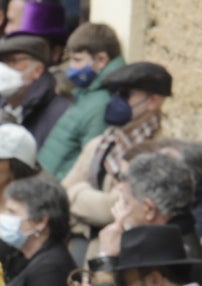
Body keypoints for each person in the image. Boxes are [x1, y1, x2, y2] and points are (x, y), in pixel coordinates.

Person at [63, 61, 171, 240]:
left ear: (153, 101)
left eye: (125, 95)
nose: (115, 101)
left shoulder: (159, 153)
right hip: (82, 240)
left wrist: (77, 194)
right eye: (113, 94)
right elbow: (61, 196)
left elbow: (115, 209)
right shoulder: (100, 144)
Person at [38, 22, 124, 180]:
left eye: (77, 60)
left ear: (101, 60)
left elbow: (89, 162)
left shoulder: (101, 103)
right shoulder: (87, 94)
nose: (71, 67)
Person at [0, 35, 69, 153]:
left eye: (12, 61)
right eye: (0, 62)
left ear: (37, 70)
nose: (1, 69)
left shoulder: (61, 113)